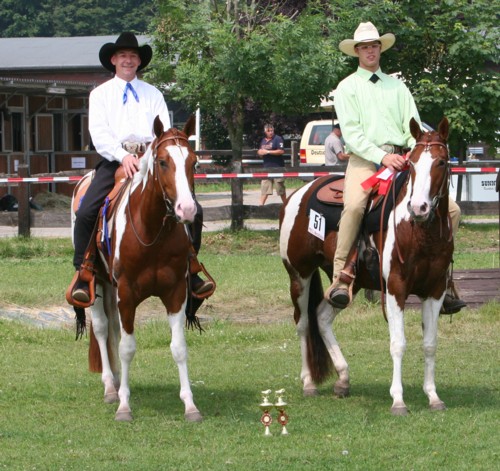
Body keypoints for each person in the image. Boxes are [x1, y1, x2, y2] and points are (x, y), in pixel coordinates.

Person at [325, 22, 465, 314]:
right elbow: (352, 134)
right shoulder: (347, 88)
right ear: (357, 52)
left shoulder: (398, 85)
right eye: (365, 47)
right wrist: (381, 156)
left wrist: (414, 149)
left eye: (374, 45)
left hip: (402, 158)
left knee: (451, 210)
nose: (370, 51)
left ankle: (443, 276)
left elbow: (411, 125)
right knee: (353, 207)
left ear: (380, 49)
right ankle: (341, 276)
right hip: (365, 161)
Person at [70, 32, 213, 305]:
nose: (128, 60)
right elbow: (98, 134)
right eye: (123, 56)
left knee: (193, 207)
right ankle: (84, 270)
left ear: (139, 62)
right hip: (114, 159)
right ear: (113, 60)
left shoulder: (154, 94)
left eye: (133, 56)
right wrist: (122, 155)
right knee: (87, 209)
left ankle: (191, 267)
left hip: (151, 161)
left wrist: (148, 157)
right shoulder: (99, 94)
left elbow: (162, 133)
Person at [257, 124, 286, 205]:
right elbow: (261, 151)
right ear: (265, 131)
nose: (271, 132)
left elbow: (281, 151)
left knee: (280, 190)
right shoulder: (263, 140)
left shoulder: (278, 139)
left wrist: (268, 152)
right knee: (265, 189)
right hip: (266, 168)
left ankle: (286, 205)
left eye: (272, 130)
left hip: (278, 167)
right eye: (269, 131)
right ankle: (260, 207)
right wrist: (260, 152)